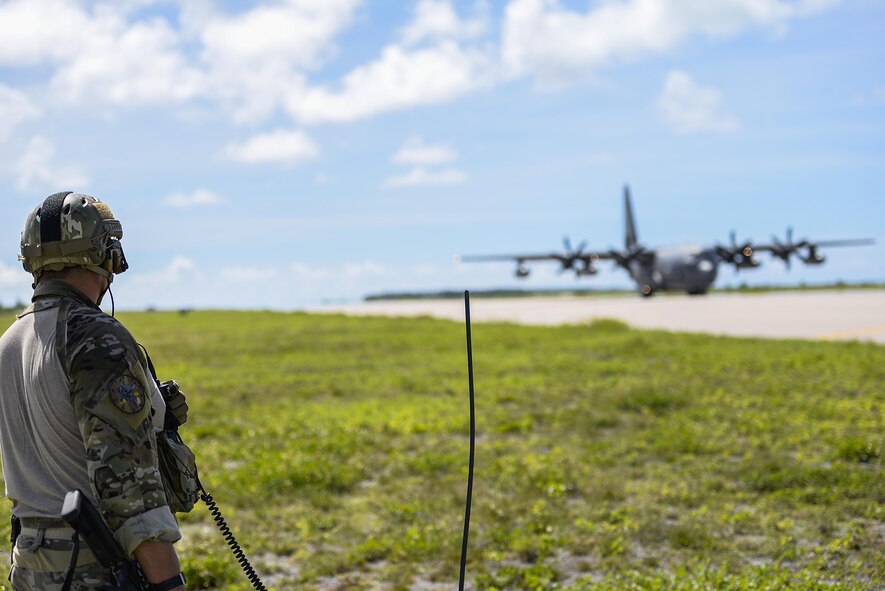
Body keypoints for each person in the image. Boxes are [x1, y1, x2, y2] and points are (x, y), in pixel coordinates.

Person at [0, 192, 187, 590]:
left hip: (29, 567)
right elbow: (130, 486)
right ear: (106, 254)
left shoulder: (9, 341)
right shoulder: (95, 337)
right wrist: (167, 583)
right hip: (94, 569)